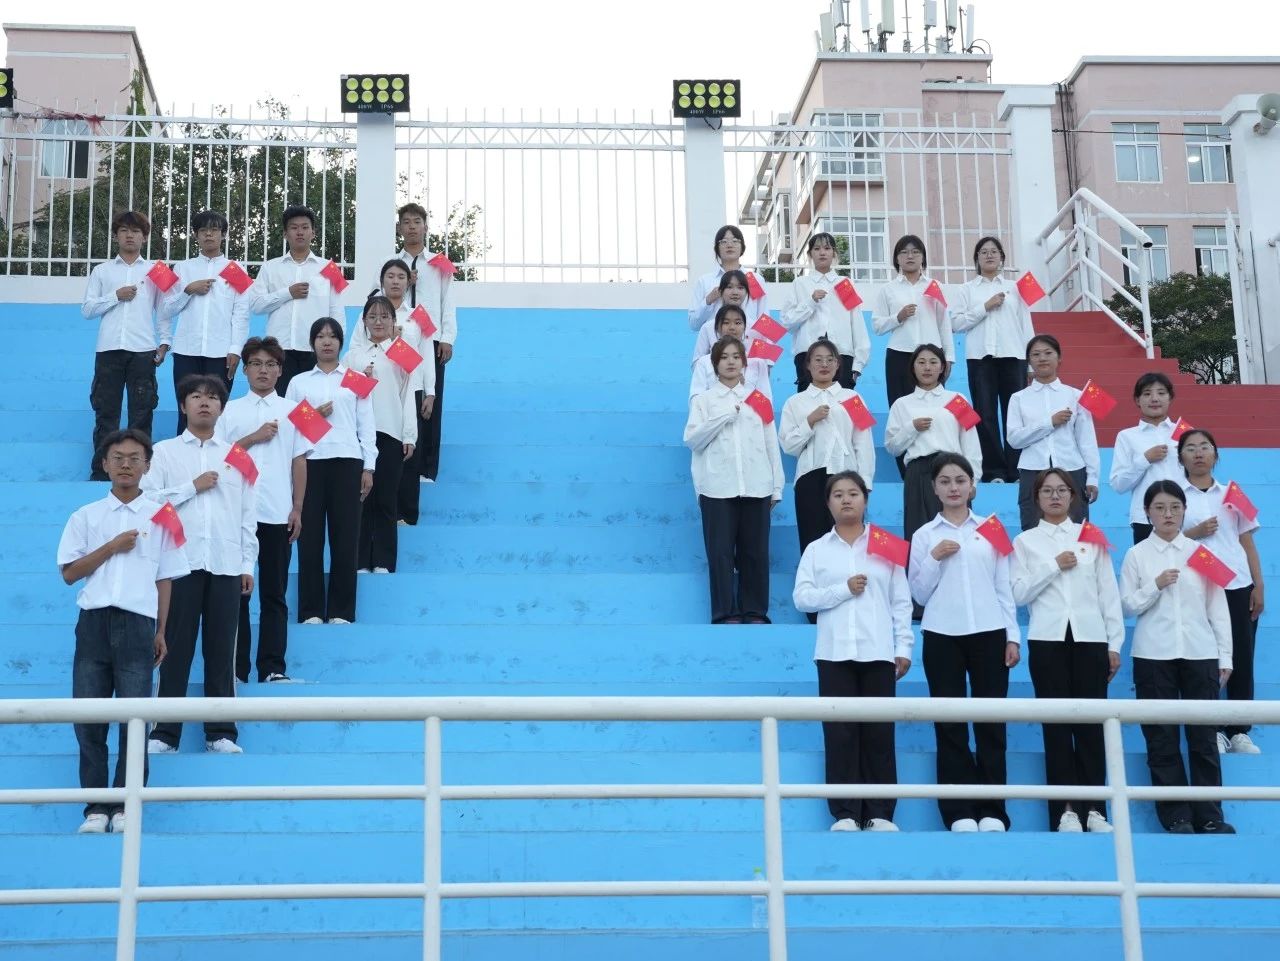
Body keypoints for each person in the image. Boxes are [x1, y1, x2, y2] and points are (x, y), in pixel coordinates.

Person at [58, 429, 189, 833]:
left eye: (134, 458)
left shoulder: (163, 515)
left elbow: (166, 577)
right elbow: (69, 573)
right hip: (93, 623)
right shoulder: (86, 516)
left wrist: (161, 630)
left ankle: (127, 804)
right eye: (118, 458)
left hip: (138, 624)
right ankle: (96, 807)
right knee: (89, 719)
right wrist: (111, 547)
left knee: (135, 719)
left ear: (147, 466)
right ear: (105, 464)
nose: (126, 465)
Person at [143, 376, 257, 755]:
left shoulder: (238, 456)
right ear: (183, 406)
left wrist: (248, 563)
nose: (204, 403)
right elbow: (148, 504)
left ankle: (220, 732)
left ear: (222, 407)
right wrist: (191, 487)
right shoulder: (163, 453)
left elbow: (248, 514)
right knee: (174, 649)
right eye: (196, 396)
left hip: (226, 564)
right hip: (180, 564)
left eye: (212, 398)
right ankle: (165, 734)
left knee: (222, 651)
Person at [793, 471, 912, 832]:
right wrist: (842, 590)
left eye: (853, 493)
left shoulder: (886, 544)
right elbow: (802, 598)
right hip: (833, 654)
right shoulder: (817, 549)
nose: (846, 500)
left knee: (879, 734)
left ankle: (880, 813)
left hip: (878, 652)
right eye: (838, 495)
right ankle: (845, 813)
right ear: (828, 504)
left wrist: (904, 646)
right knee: (839, 734)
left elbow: (901, 601)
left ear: (866, 499)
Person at [909, 453, 1020, 832]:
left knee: (991, 724)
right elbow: (918, 594)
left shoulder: (991, 527)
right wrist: (934, 559)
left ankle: (993, 810)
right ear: (934, 488)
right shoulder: (925, 535)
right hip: (941, 635)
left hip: (989, 633)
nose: (953, 487)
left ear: (973, 485)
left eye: (960, 480)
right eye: (945, 481)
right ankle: (957, 811)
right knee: (950, 725)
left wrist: (1012, 636)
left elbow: (1004, 587)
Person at [1011, 469, 1124, 833]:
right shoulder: (1025, 542)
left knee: (1091, 726)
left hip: (1091, 639)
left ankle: (1095, 810)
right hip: (1048, 640)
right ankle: (1065, 811)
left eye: (1062, 490)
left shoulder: (1091, 537)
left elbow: (1108, 594)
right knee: (1056, 726)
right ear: (1037, 498)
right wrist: (1052, 566)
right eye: (1047, 491)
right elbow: (1018, 593)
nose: (1055, 496)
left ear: (1074, 497)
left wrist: (1114, 644)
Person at [1120, 480, 1234, 834]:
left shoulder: (1200, 553)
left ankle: (1210, 815)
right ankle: (1176, 816)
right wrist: (1155, 585)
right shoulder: (1137, 555)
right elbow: (1127, 606)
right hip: (1153, 655)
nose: (1168, 514)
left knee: (1203, 738)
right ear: (1147, 513)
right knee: (1161, 737)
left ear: (1184, 510)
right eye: (1159, 508)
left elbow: (1217, 607)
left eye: (1175, 507)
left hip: (1199, 653)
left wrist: (1225, 656)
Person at [216, 336, 311, 683]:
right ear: (245, 370)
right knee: (235, 595)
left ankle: (272, 667)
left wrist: (297, 508)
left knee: (275, 595)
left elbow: (300, 461)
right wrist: (252, 438)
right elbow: (218, 458)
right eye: (256, 364)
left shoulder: (296, 410)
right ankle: (236, 670)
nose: (263, 371)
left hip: (277, 513)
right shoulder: (228, 410)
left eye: (271, 364)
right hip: (235, 514)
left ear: (281, 371)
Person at [683, 335, 784, 625]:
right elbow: (692, 439)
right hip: (716, 487)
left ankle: (755, 611)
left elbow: (771, 444)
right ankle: (725, 612)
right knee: (720, 554)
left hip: (757, 485)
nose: (730, 362)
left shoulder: (759, 399)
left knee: (756, 552)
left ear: (744, 363)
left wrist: (776, 487)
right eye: (724, 357)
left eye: (736, 357)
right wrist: (724, 416)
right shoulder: (704, 401)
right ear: (715, 364)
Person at [1177, 429, 1266, 755]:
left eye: (1205, 447)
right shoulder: (1175, 495)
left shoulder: (1231, 492)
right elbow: (1167, 539)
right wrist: (1195, 532)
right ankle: (1210, 728)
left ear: (1216, 454)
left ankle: (1239, 730)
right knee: (1205, 658)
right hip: (1197, 587)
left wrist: (1258, 584)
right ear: (1181, 457)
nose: (1198, 453)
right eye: (1190, 448)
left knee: (1241, 655)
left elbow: (1247, 541)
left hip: (1236, 584)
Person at [286, 318, 378, 624]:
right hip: (309, 463)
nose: (326, 342)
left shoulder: (355, 379)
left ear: (341, 342)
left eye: (332, 336)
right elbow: (289, 427)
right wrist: (314, 416)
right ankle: (311, 610)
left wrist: (369, 466)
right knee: (309, 539)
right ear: (312, 343)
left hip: (348, 462)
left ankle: (342, 610)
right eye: (320, 336)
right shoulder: (299, 382)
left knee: (346, 538)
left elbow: (367, 426)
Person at [780, 338, 876, 625]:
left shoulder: (853, 398)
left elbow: (864, 442)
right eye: (817, 360)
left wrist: (865, 482)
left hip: (846, 477)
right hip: (810, 477)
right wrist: (809, 422)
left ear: (838, 365)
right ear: (807, 366)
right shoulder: (796, 402)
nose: (824, 364)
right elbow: (788, 445)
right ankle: (816, 608)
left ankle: (854, 602)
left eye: (830, 359)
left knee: (850, 540)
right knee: (813, 540)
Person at [344, 293, 433, 573]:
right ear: (364, 321)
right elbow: (343, 397)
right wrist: (361, 378)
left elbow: (408, 396)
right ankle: (360, 560)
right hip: (358, 436)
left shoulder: (401, 352)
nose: (378, 322)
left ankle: (383, 560)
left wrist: (409, 435)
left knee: (385, 499)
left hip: (390, 431)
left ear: (394, 321)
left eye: (384, 316)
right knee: (360, 499)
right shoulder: (353, 356)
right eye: (372, 317)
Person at [81, 210, 171, 480]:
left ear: (145, 237)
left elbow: (164, 310)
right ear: (115, 236)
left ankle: (142, 474)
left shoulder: (157, 269)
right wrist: (115, 296)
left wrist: (165, 342)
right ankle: (101, 472)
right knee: (105, 412)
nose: (129, 235)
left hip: (143, 350)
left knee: (142, 412)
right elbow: (87, 310)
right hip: (108, 349)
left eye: (136, 231)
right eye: (123, 230)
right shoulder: (101, 270)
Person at [883, 344, 983, 567]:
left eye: (933, 362)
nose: (927, 367)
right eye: (921, 362)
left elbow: (971, 442)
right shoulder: (902, 404)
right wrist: (912, 428)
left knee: (957, 530)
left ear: (942, 368)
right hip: (918, 472)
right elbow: (892, 447)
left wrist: (974, 479)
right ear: (913, 368)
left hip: (953, 471)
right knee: (918, 531)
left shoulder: (957, 398)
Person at [951, 237, 1035, 483]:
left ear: (1002, 258)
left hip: (1013, 356)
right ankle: (993, 470)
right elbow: (956, 323)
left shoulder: (1016, 287)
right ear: (976, 259)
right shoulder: (966, 289)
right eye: (984, 252)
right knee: (985, 414)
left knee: (1014, 414)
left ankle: (1016, 469)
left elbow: (1026, 325)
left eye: (994, 251)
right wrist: (984, 307)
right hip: (980, 358)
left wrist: (1030, 362)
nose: (989, 255)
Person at [160, 209, 249, 434]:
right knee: (186, 409)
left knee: (217, 410)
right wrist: (188, 291)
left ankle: (215, 454)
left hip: (221, 352)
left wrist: (236, 349)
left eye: (214, 230)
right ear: (196, 235)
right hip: (186, 351)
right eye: (203, 230)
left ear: (223, 235)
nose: (209, 234)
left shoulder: (235, 269)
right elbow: (167, 308)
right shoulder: (183, 268)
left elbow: (241, 312)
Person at [1006, 334, 1101, 532]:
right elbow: (1014, 439)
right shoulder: (1018, 398)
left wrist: (1092, 477)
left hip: (1072, 468)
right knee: (1032, 529)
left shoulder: (1076, 395)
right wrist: (1049, 423)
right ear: (1029, 360)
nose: (1042, 358)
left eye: (1048, 353)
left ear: (1059, 358)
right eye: (1036, 354)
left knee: (1076, 530)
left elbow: (1087, 440)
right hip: (1032, 469)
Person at [247, 205, 343, 394]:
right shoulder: (270, 267)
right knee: (281, 403)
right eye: (294, 227)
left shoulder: (330, 268)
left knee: (314, 404)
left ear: (313, 233)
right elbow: (256, 305)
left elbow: (337, 311)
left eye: (305, 227)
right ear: (285, 233)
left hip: (315, 350)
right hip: (279, 350)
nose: (300, 232)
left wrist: (336, 346)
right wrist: (287, 293)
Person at [395, 203, 456, 488]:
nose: (411, 227)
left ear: (425, 227)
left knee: (430, 402)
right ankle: (401, 463)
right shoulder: (391, 263)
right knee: (399, 399)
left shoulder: (439, 264)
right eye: (406, 222)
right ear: (399, 228)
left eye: (416, 222)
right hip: (398, 340)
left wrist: (447, 338)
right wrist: (405, 282)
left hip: (430, 342)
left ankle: (427, 469)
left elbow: (448, 302)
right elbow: (376, 297)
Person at [872, 235, 955, 420]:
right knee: (900, 408)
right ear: (897, 258)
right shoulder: (888, 289)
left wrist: (948, 357)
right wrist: (898, 317)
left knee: (934, 408)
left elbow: (944, 323)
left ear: (923, 257)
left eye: (915, 252)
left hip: (931, 356)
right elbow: (877, 326)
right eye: (904, 252)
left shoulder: (934, 286)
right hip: (899, 355)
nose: (910, 256)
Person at [781, 232, 871, 392]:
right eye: (817, 249)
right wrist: (810, 302)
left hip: (842, 355)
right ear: (810, 254)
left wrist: (858, 364)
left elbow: (856, 323)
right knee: (808, 403)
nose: (822, 252)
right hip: (808, 355)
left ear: (834, 253)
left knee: (841, 404)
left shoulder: (844, 283)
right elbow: (787, 322)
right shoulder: (800, 283)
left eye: (827, 248)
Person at [1110, 372, 1182, 544]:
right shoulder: (1127, 436)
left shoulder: (1184, 433)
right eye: (1147, 394)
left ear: (1170, 397)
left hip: (1183, 515)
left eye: (1161, 393)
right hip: (1145, 518)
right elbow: (1118, 485)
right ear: (1137, 400)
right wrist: (1145, 460)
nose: (1154, 399)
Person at [688, 225, 763, 338]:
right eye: (723, 241)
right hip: (715, 345)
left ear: (742, 247)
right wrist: (708, 301)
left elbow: (764, 317)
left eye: (735, 241)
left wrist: (763, 348)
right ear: (717, 248)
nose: (729, 245)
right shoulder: (705, 281)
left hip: (747, 345)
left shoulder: (753, 279)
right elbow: (693, 324)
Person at [688, 304, 773, 401]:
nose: (732, 327)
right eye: (726, 322)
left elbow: (767, 404)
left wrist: (742, 390)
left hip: (746, 411)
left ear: (744, 327)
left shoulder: (758, 363)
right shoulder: (704, 363)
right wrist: (724, 386)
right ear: (717, 328)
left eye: (738, 323)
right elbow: (695, 401)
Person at [692, 270, 766, 365]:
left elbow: (762, 366)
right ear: (720, 291)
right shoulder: (707, 328)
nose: (735, 292)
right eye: (729, 287)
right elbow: (696, 364)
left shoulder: (756, 329)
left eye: (740, 288)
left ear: (746, 292)